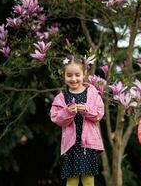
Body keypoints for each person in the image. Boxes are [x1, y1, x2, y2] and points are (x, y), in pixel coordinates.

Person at [50, 55, 104, 186]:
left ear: (84, 73)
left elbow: (99, 114)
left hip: (88, 144)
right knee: (72, 178)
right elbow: (56, 118)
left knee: (88, 179)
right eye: (69, 75)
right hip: (71, 145)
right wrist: (68, 112)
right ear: (63, 75)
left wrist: (86, 110)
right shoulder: (61, 97)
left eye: (77, 75)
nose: (73, 79)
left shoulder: (92, 94)